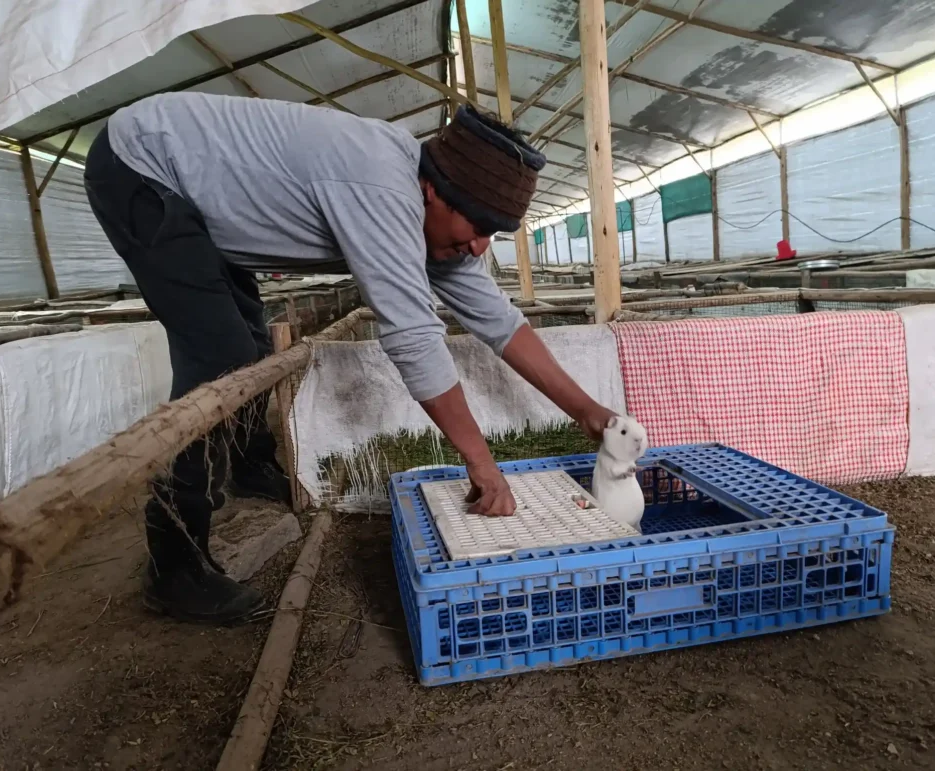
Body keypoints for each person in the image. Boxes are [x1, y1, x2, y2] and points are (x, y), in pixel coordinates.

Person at [84, 92, 617, 625]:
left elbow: (499, 321)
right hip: (143, 166)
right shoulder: (382, 189)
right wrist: (480, 462)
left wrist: (587, 410)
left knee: (247, 347)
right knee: (219, 359)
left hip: (204, 198)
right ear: (434, 191)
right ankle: (173, 563)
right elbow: (412, 337)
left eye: (491, 235)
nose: (480, 248)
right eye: (476, 228)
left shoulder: (440, 210)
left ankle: (247, 466)